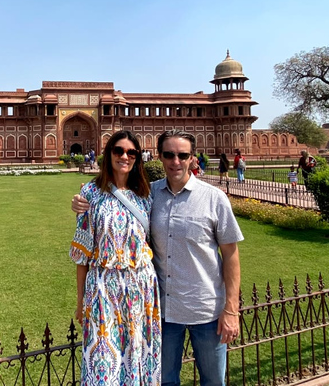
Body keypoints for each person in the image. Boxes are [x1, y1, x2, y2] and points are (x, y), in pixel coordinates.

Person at [73, 129, 243, 386]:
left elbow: (231, 254)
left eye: (182, 155)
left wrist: (232, 309)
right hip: (157, 307)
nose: (176, 161)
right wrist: (79, 201)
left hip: (200, 308)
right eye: (169, 154)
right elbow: (83, 251)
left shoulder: (203, 198)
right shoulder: (142, 193)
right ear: (160, 158)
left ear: (192, 158)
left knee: (210, 381)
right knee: (144, 375)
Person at [69, 130, 161, 385]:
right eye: (118, 150)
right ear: (107, 153)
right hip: (102, 287)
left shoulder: (145, 195)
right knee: (103, 363)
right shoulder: (90, 193)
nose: (124, 156)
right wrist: (80, 301)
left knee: (137, 357)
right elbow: (82, 254)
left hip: (140, 288)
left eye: (132, 152)